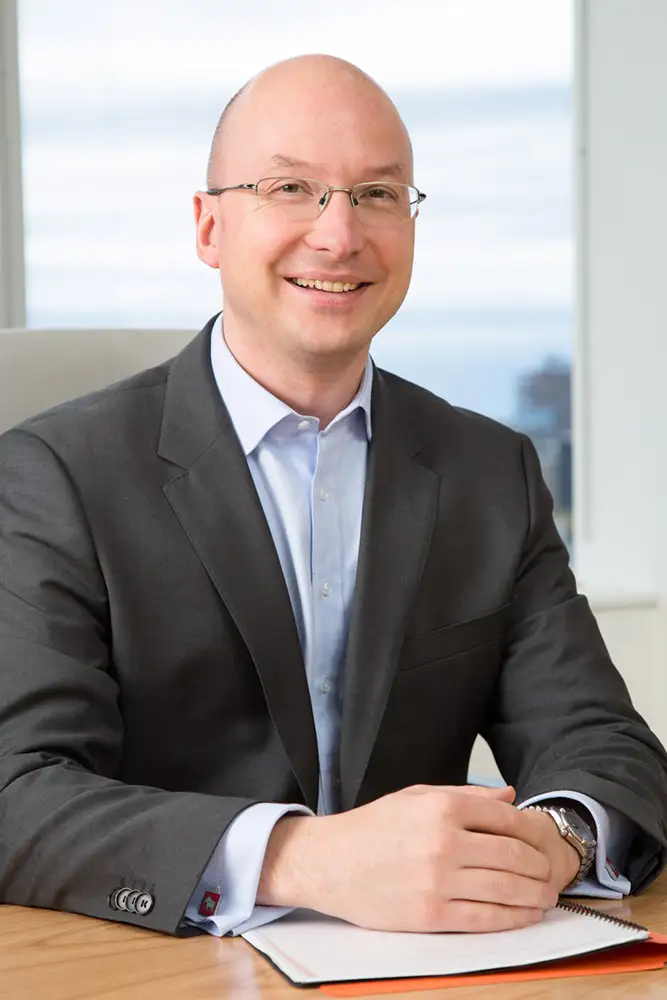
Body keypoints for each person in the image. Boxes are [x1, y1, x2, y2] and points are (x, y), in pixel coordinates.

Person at [0, 54, 666, 940]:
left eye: (379, 194)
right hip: (154, 967)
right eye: (290, 188)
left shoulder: (486, 470)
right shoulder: (53, 475)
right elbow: (18, 789)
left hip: (424, 968)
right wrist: (303, 858)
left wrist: (551, 842)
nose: (338, 234)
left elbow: (608, 748)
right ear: (208, 228)